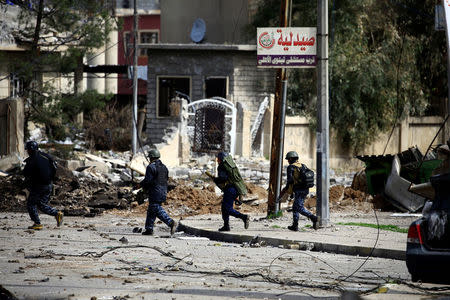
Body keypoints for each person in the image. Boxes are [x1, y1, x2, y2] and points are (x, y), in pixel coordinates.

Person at [23, 141, 63, 230]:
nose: (27, 152)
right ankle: (57, 214)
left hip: (38, 186)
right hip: (49, 184)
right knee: (41, 204)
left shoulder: (32, 159)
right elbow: (55, 168)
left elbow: (26, 173)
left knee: (31, 204)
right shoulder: (46, 156)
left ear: (29, 150)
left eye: (28, 150)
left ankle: (37, 223)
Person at [140, 149, 177, 236]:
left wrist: (140, 186)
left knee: (155, 208)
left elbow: (147, 181)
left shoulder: (150, 167)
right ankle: (149, 229)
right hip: (163, 191)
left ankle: (170, 222)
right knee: (151, 210)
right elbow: (165, 179)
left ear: (151, 157)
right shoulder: (164, 167)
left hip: (155, 191)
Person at [212, 151, 249, 232]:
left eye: (218, 159)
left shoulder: (222, 166)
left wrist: (216, 179)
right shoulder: (231, 166)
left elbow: (223, 178)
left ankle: (244, 217)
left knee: (227, 209)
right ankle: (226, 226)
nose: (217, 160)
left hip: (230, 189)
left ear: (220, 159)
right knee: (224, 208)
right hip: (235, 189)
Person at [280, 151, 318, 231]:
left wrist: (287, 190)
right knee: (295, 207)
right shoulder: (303, 165)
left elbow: (290, 181)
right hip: (305, 189)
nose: (288, 161)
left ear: (290, 159)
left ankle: (313, 218)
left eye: (288, 159)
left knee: (299, 208)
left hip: (298, 190)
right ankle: (295, 225)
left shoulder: (291, 167)